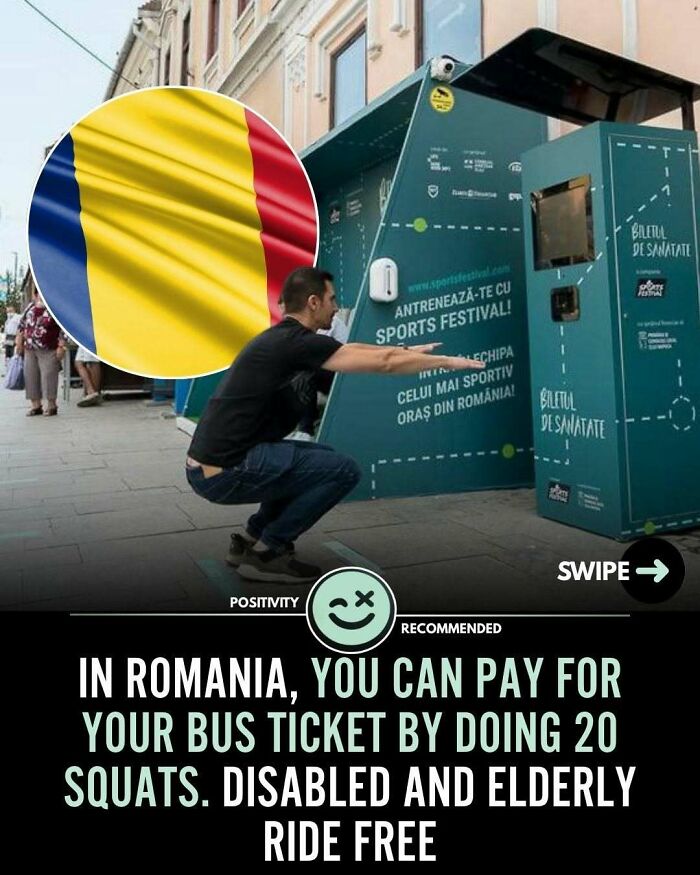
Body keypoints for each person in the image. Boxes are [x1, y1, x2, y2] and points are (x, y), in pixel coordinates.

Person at [186, 267, 485, 584]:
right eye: (332, 298)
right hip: (225, 470)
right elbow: (383, 364)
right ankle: (268, 552)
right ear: (313, 302)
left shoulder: (289, 339)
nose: (336, 305)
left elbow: (352, 350)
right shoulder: (293, 343)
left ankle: (249, 541)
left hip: (216, 465)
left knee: (318, 460)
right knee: (343, 470)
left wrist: (406, 351)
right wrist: (447, 362)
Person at [15, 291, 65, 416]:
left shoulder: (55, 308)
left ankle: (52, 405)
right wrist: (19, 342)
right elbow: (21, 325)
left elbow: (63, 329)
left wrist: (61, 346)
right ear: (35, 296)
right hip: (30, 348)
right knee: (31, 376)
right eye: (38, 295)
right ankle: (36, 405)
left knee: (48, 376)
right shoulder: (30, 307)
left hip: (48, 347)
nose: (40, 297)